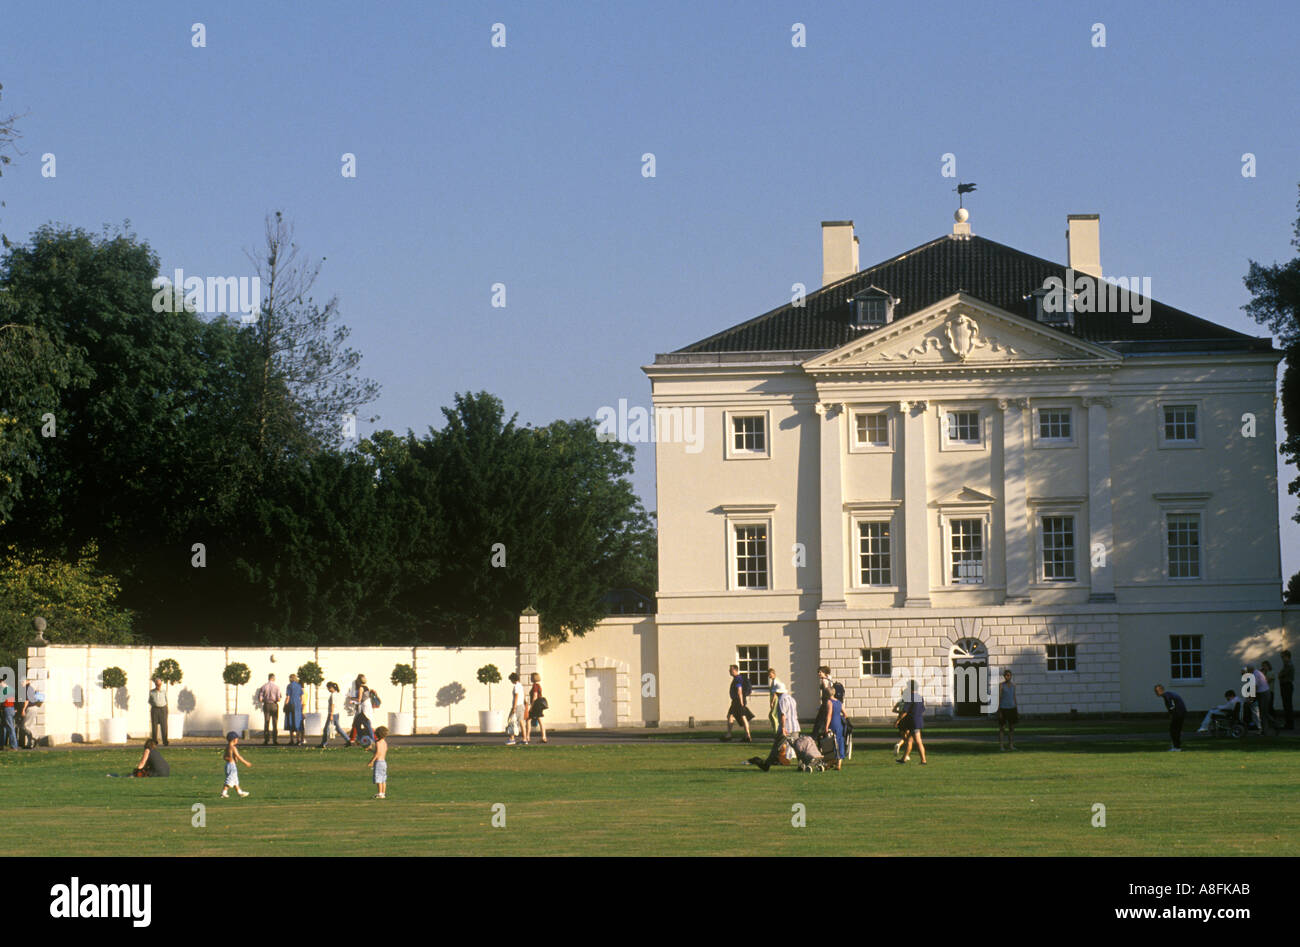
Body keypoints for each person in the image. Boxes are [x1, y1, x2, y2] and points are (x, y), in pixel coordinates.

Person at [746, 683, 799, 771]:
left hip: (786, 727)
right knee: (797, 747)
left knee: (777, 747)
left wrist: (782, 727)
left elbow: (783, 715)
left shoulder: (782, 700)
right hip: (795, 725)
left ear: (777, 692)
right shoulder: (791, 699)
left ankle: (767, 764)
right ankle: (802, 764)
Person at [898, 680, 927, 764]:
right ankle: (903, 759)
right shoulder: (920, 697)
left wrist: (898, 720)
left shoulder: (909, 697)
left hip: (912, 722)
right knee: (909, 741)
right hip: (918, 720)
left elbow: (905, 711)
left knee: (918, 741)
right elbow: (922, 709)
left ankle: (923, 760)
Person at [723, 664, 754, 742]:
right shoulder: (738, 678)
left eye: (730, 670)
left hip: (738, 701)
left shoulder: (738, 679)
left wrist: (741, 703)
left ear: (734, 670)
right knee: (733, 716)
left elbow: (739, 690)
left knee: (741, 717)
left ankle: (745, 735)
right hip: (738, 701)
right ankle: (746, 735)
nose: (729, 671)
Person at [1154, 684, 1187, 751]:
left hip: (1178, 713)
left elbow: (1172, 706)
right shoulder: (1168, 695)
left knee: (1174, 730)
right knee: (1175, 730)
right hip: (1180, 712)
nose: (1156, 693)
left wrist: (1172, 714)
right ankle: (1176, 746)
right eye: (1155, 691)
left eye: (1157, 691)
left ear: (1161, 690)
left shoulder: (1167, 696)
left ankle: (1176, 747)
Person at [221, 731, 252, 797]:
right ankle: (224, 792)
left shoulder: (227, 747)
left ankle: (239, 792)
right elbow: (238, 756)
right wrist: (246, 762)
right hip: (232, 766)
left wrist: (231, 758)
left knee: (235, 779)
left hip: (228, 765)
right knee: (230, 779)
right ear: (234, 739)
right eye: (237, 739)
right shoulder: (233, 748)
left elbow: (224, 757)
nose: (237, 740)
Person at [823, 686, 846, 770]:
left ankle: (831, 761)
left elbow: (829, 715)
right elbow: (845, 713)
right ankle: (839, 764)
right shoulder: (839, 702)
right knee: (840, 741)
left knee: (832, 742)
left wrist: (826, 726)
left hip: (833, 723)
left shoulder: (829, 702)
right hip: (839, 724)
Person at [255, 674, 281, 745]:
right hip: (274, 705)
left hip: (266, 705)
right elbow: (279, 699)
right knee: (275, 723)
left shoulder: (263, 686)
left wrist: (264, 700)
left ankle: (266, 740)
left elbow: (260, 699)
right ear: (273, 678)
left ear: (268, 678)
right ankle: (275, 740)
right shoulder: (277, 687)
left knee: (266, 722)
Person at [348, 675, 373, 746]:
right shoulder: (366, 687)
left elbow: (359, 699)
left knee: (366, 724)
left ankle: (370, 739)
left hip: (364, 708)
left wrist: (351, 698)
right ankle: (361, 739)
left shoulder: (361, 688)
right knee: (360, 723)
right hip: (366, 707)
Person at [319, 682, 347, 747]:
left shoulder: (333, 695)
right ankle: (348, 740)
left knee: (326, 729)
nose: (328, 689)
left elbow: (332, 705)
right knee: (338, 728)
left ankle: (324, 743)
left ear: (332, 688)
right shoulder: (337, 694)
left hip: (332, 713)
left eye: (329, 688)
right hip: (336, 713)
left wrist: (331, 714)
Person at [16, 678, 41, 749]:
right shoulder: (30, 688)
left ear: (27, 681)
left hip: (30, 708)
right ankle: (30, 744)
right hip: (34, 707)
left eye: (22, 682)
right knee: (30, 725)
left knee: (25, 726)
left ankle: (36, 737)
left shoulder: (27, 688)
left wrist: (23, 709)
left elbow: (27, 700)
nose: (21, 683)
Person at [997, 669, 1018, 751]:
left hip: (1012, 708)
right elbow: (999, 697)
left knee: (1011, 728)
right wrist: (999, 710)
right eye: (1006, 675)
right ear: (1004, 676)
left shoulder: (1014, 685)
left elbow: (1014, 697)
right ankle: (1001, 746)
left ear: (1011, 676)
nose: (1007, 677)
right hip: (1003, 708)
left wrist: (1016, 708)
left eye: (1009, 675)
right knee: (1002, 728)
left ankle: (1011, 745)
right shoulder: (1001, 685)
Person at [524, 672, 547, 744]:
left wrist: (531, 706)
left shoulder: (535, 686)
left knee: (528, 720)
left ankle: (527, 737)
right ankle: (544, 737)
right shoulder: (539, 686)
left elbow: (535, 696)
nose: (530, 678)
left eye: (531, 677)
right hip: (539, 705)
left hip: (535, 705)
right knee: (540, 720)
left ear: (533, 678)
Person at [368, 725, 389, 798]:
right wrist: (371, 750)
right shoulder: (384, 742)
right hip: (384, 762)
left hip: (379, 763)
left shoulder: (378, 743)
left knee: (378, 778)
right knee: (383, 778)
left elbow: (377, 753)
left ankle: (380, 793)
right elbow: (381, 751)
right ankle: (383, 793)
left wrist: (371, 761)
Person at [1259, 661, 1279, 735]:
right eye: (1263, 666)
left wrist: (1262, 675)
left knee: (1268, 708)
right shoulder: (1265, 673)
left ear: (1268, 666)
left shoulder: (1271, 673)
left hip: (1269, 692)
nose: (1263, 667)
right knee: (1266, 709)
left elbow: (1266, 681)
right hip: (1264, 692)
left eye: (1264, 666)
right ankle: (1269, 724)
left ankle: (1274, 722)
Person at [283, 673, 304, 746]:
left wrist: (285, 705)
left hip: (291, 704)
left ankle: (291, 739)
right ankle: (298, 739)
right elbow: (302, 697)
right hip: (298, 705)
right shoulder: (299, 686)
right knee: (297, 721)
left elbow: (288, 697)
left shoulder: (289, 686)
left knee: (290, 721)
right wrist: (300, 705)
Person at [506, 671, 526, 746]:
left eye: (511, 680)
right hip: (521, 705)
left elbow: (516, 696)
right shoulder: (520, 685)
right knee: (521, 722)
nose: (511, 681)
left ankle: (512, 738)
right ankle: (525, 739)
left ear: (513, 679)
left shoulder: (516, 686)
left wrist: (514, 707)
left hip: (517, 706)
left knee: (511, 721)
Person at [148, 677, 169, 746]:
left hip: (163, 709)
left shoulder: (164, 691)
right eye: (157, 684)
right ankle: (154, 742)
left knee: (164, 726)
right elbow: (150, 700)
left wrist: (166, 709)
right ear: (155, 684)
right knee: (154, 726)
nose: (158, 685)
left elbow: (166, 700)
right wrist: (154, 705)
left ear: (161, 684)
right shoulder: (151, 692)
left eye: (159, 683)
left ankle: (165, 741)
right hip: (155, 709)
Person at [1280, 651, 1295, 730]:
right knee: (1286, 705)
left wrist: (1280, 674)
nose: (1282, 659)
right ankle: (1288, 723)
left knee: (1288, 705)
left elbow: (1282, 674)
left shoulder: (1288, 665)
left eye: (1283, 657)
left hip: (1287, 685)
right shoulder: (1286, 665)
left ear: (1287, 656)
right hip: (1285, 685)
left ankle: (1289, 724)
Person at [766, 668, 784, 734]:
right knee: (772, 715)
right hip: (775, 699)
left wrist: (772, 702)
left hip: (776, 700)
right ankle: (776, 730)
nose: (769, 676)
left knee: (773, 715)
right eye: (768, 675)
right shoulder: (774, 681)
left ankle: (777, 731)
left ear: (773, 673)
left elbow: (775, 692)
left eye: (770, 674)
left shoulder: (776, 681)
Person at [1, 677, 16, 751]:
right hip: (8, 708)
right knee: (4, 727)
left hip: (8, 708)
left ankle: (14, 746)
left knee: (10, 727)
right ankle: (2, 745)